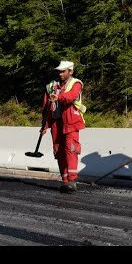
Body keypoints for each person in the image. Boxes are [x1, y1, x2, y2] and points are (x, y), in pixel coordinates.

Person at [42, 60, 86, 193]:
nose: (60, 74)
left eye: (63, 71)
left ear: (70, 71)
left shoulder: (76, 83)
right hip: (56, 122)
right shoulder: (51, 86)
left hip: (71, 121)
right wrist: (44, 124)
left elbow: (72, 96)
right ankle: (65, 180)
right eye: (59, 71)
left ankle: (72, 180)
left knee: (70, 149)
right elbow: (46, 107)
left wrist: (58, 97)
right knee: (59, 150)